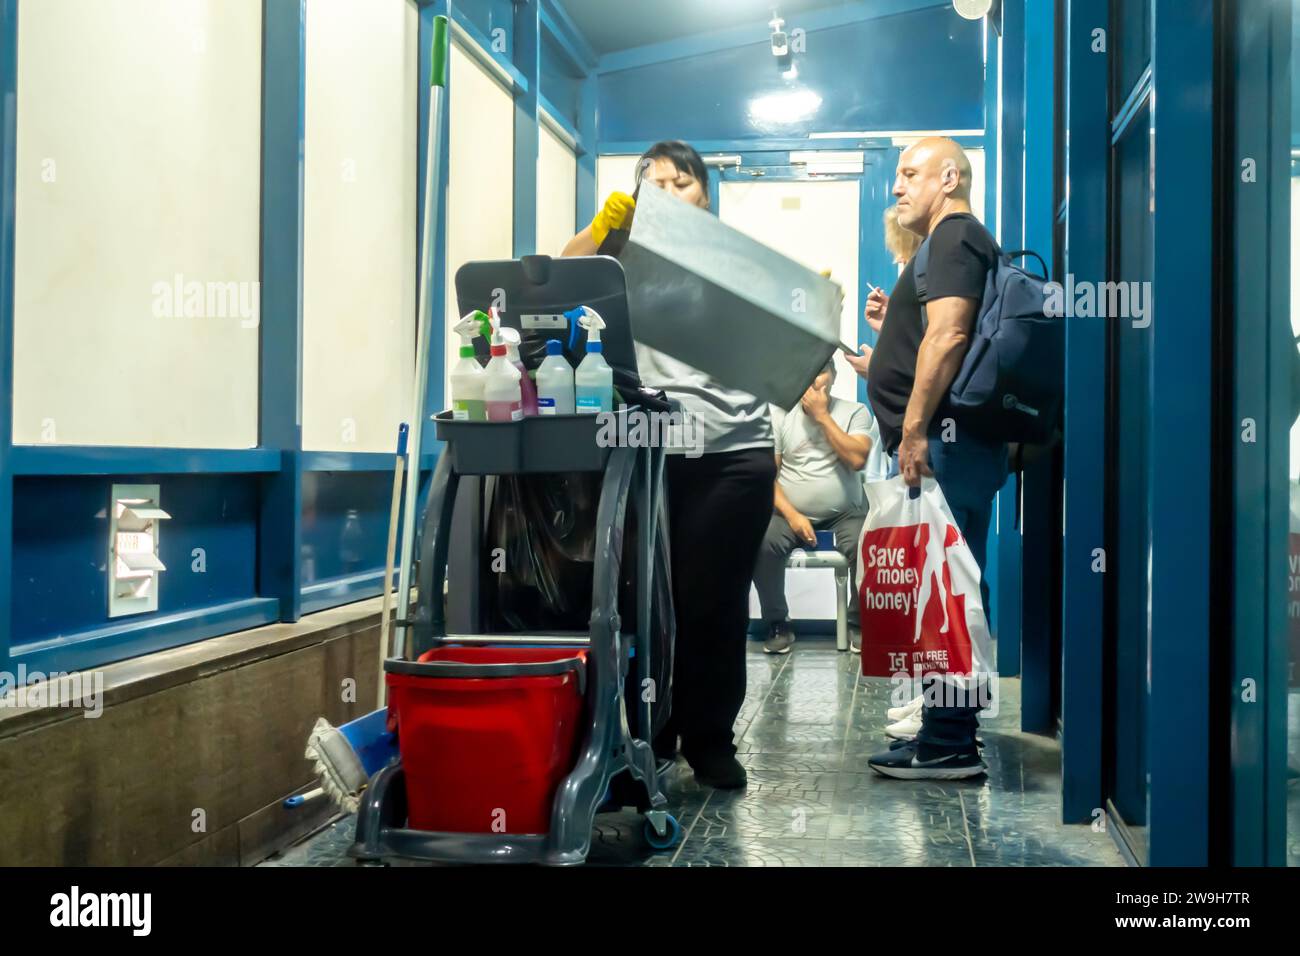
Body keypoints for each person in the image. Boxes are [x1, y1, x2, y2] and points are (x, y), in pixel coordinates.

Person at [563, 141, 775, 790]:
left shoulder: (734, 258)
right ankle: (648, 737)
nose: (666, 191)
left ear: (704, 192)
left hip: (732, 453)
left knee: (713, 604)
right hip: (649, 453)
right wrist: (602, 229)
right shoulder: (617, 259)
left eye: (680, 182)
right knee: (639, 602)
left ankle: (710, 740)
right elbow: (559, 277)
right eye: (652, 182)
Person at [848, 137, 1007, 780]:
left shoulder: (953, 236)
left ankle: (951, 742)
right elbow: (929, 336)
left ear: (949, 178)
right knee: (944, 593)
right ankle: (944, 732)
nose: (897, 187)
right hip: (944, 445)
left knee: (953, 594)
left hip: (943, 445)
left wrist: (912, 431)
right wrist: (882, 355)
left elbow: (949, 335)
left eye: (909, 174)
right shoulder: (949, 243)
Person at [752, 359, 873, 656]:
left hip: (846, 512)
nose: (814, 380)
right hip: (788, 511)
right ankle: (778, 623)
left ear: (832, 376)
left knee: (867, 542)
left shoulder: (854, 412)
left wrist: (821, 417)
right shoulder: (780, 415)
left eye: (820, 371)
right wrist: (793, 516)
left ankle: (858, 623)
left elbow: (858, 459)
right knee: (761, 540)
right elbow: (768, 476)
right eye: (806, 372)